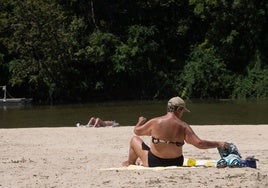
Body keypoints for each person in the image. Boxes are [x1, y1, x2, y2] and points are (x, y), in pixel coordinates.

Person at [122, 96, 229, 167]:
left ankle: (130, 163)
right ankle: (136, 162)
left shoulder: (155, 122)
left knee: (134, 140)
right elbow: (199, 144)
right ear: (179, 109)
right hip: (177, 162)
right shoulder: (183, 126)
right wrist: (219, 143)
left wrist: (140, 121)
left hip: (154, 162)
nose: (182, 113)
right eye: (183, 111)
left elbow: (137, 131)